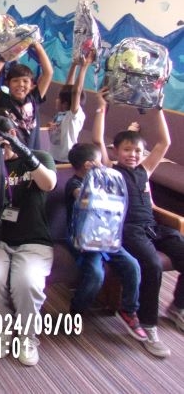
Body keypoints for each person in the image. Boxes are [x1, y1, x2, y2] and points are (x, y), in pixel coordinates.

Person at [93, 87, 183, 358]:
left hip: (153, 227)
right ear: (117, 151)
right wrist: (101, 106)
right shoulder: (112, 171)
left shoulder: (144, 170)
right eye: (127, 149)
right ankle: (147, 322)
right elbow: (97, 138)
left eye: (137, 150)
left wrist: (156, 107)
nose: (132, 154)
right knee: (153, 265)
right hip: (129, 231)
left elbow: (164, 142)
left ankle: (178, 306)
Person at [0, 114, 57, 366]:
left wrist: (21, 152)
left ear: (14, 136)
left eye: (4, 142)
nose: (0, 149)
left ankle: (28, 336)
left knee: (27, 283)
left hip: (33, 239)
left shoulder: (39, 158)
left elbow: (49, 183)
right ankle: (4, 328)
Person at [64, 143, 146, 341]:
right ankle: (77, 310)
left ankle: (128, 310)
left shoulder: (105, 181)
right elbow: (86, 200)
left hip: (106, 236)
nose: (103, 165)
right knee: (95, 274)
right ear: (88, 165)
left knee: (132, 266)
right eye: (99, 161)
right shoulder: (74, 185)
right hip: (82, 239)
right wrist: (98, 179)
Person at [0, 40, 53, 149]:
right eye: (15, 81)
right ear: (8, 84)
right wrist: (10, 53)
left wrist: (36, 45)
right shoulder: (2, 99)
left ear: (32, 85)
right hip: (8, 156)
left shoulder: (34, 98)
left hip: (32, 154)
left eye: (25, 81)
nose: (20, 85)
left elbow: (48, 72)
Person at [48, 53, 92, 163]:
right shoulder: (63, 112)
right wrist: (73, 66)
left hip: (65, 159)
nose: (56, 100)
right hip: (53, 156)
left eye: (59, 98)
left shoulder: (73, 115)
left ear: (66, 104)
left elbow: (76, 92)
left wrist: (84, 67)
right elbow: (68, 86)